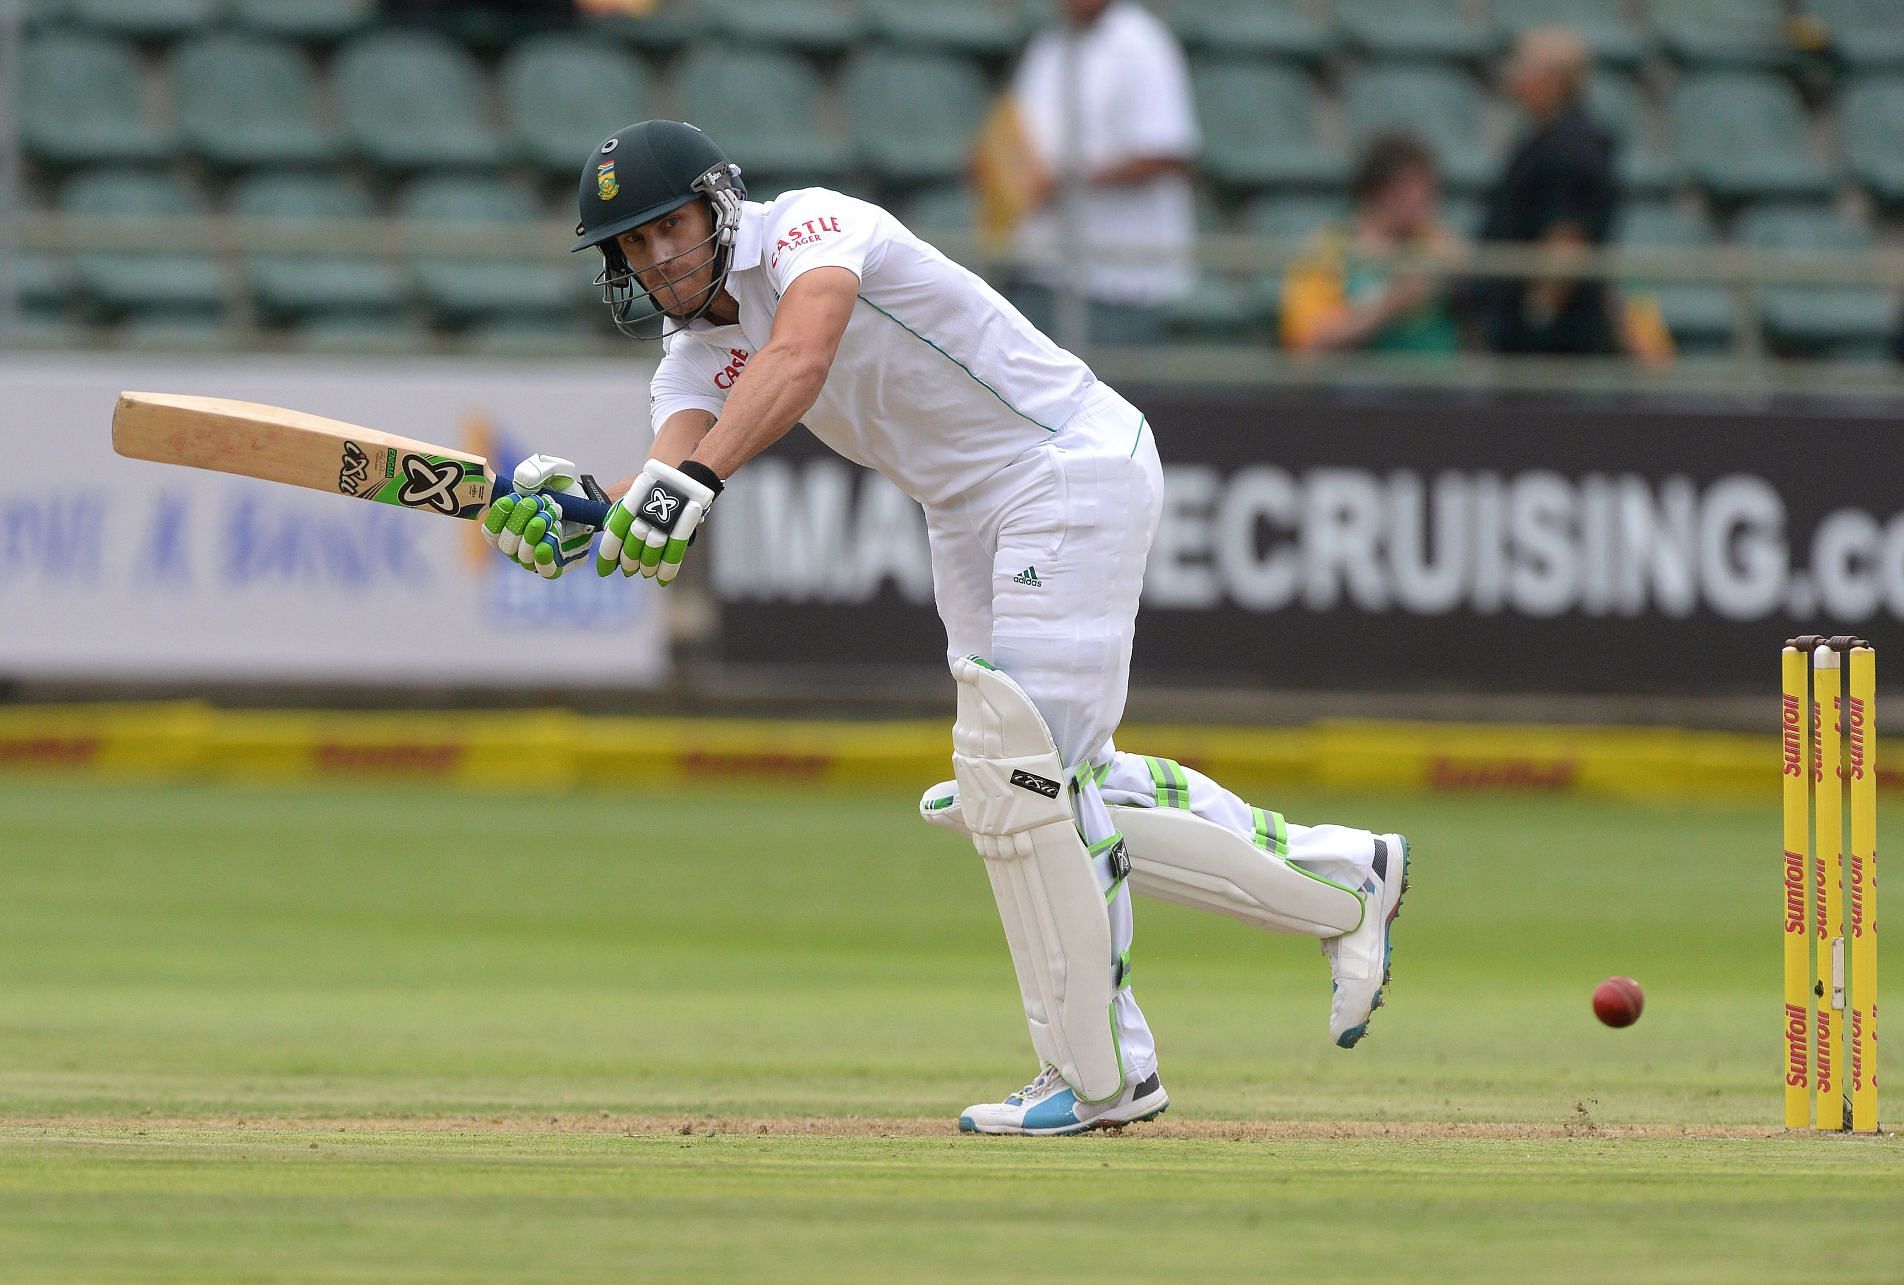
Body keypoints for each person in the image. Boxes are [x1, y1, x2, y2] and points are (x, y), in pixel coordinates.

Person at [478, 120, 1410, 1136]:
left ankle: (1103, 1076)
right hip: (965, 511)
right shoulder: (692, 350)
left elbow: (798, 356)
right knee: (1041, 784)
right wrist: (582, 515)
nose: (660, 258)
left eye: (672, 227)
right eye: (634, 245)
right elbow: (669, 462)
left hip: (1064, 465)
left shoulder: (812, 230)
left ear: (718, 204)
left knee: (1023, 781)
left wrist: (689, 484)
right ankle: (1344, 876)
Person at [998, 0, 1199, 347]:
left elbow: (1165, 152)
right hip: (1042, 264)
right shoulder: (1049, 43)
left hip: (1119, 280)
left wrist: (1065, 180)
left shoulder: (1142, 42)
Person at [1473, 28, 1621, 355]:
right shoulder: (1544, 138)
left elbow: (1565, 245)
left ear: (1553, 80)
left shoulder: (1572, 149)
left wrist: (1535, 319)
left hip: (1551, 341)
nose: (1512, 74)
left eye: (1521, 65)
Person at [1280, 133, 1462, 354]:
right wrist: (1395, 300)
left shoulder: (1437, 241)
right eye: (1415, 188)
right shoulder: (1329, 249)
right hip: (1363, 378)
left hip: (1443, 377)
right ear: (1381, 190)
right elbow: (1311, 338)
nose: (1428, 199)